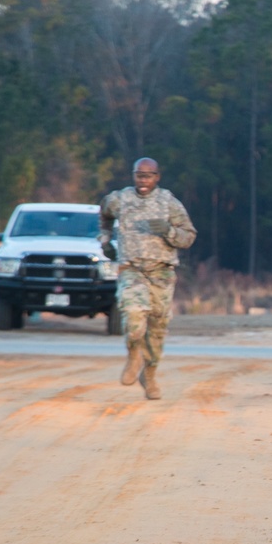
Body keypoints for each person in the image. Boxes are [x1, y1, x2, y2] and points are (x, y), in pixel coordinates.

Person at [99, 157, 197, 400]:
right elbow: (104, 213)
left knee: (157, 329)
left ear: (157, 177)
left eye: (148, 175)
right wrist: (104, 239)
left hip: (161, 273)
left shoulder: (168, 203)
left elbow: (188, 237)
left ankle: (149, 375)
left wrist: (168, 231)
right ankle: (133, 356)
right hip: (132, 269)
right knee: (133, 316)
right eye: (139, 175)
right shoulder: (120, 199)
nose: (143, 180)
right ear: (133, 175)